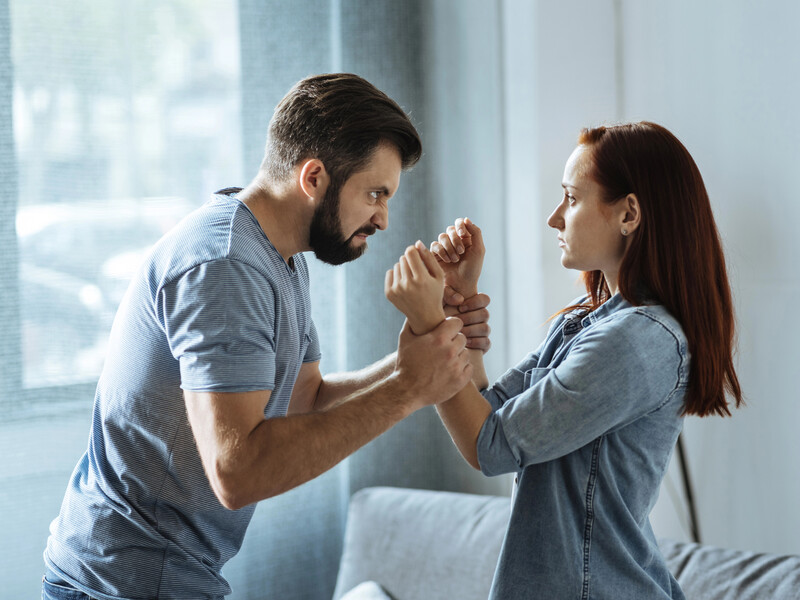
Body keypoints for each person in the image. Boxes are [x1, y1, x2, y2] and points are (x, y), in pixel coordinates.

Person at [42, 73, 492, 600]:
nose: (384, 218)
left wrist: (419, 355)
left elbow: (303, 402)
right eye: (375, 193)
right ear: (315, 177)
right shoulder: (228, 265)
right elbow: (237, 472)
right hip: (120, 584)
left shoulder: (278, 257)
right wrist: (410, 387)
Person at [385, 121, 743, 599]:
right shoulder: (586, 324)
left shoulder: (638, 342)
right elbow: (488, 414)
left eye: (571, 199)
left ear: (628, 213)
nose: (555, 218)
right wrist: (458, 300)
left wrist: (432, 325)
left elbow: (487, 446)